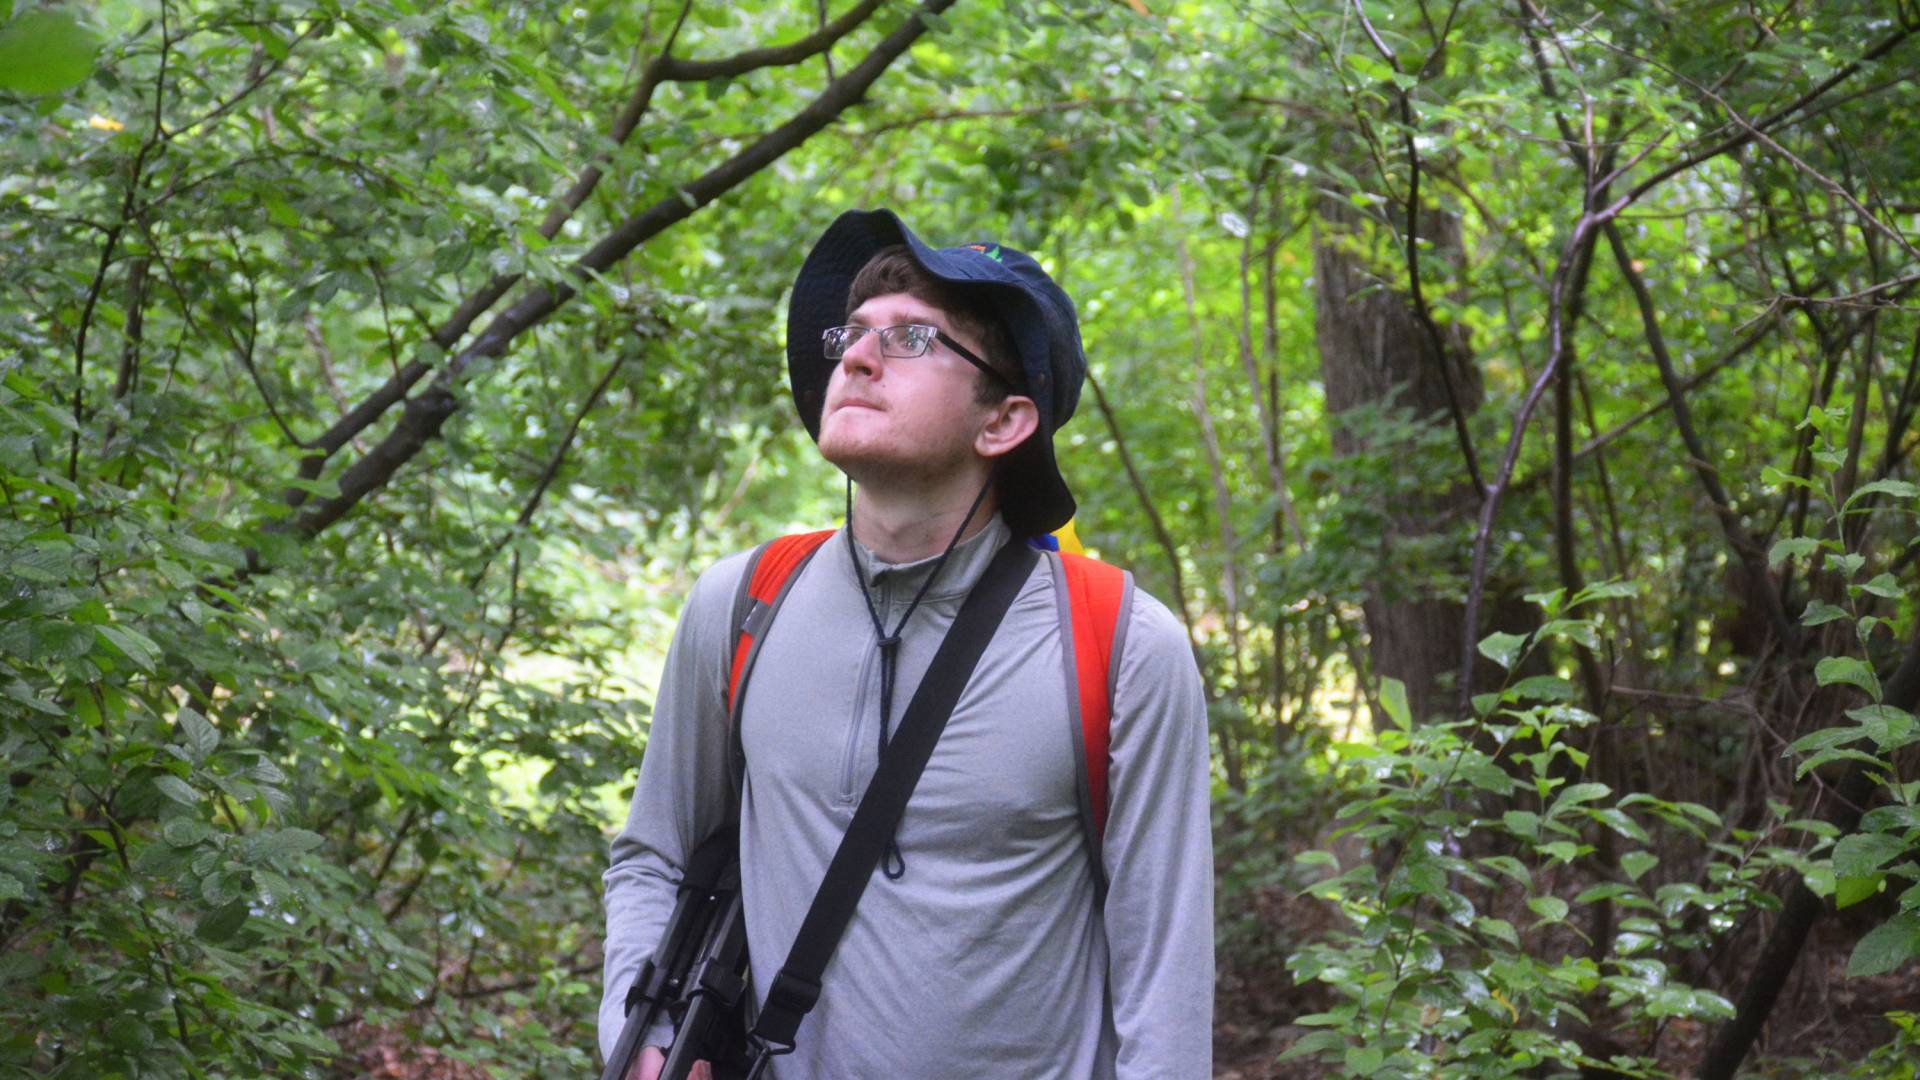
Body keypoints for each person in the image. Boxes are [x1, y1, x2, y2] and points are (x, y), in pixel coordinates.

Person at [599, 209, 1213, 1079]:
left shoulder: (1121, 647)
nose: (854, 355)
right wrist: (642, 1032)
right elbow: (654, 854)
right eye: (851, 332)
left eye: (914, 338)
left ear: (1002, 422)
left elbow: (1166, 972)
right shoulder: (741, 605)